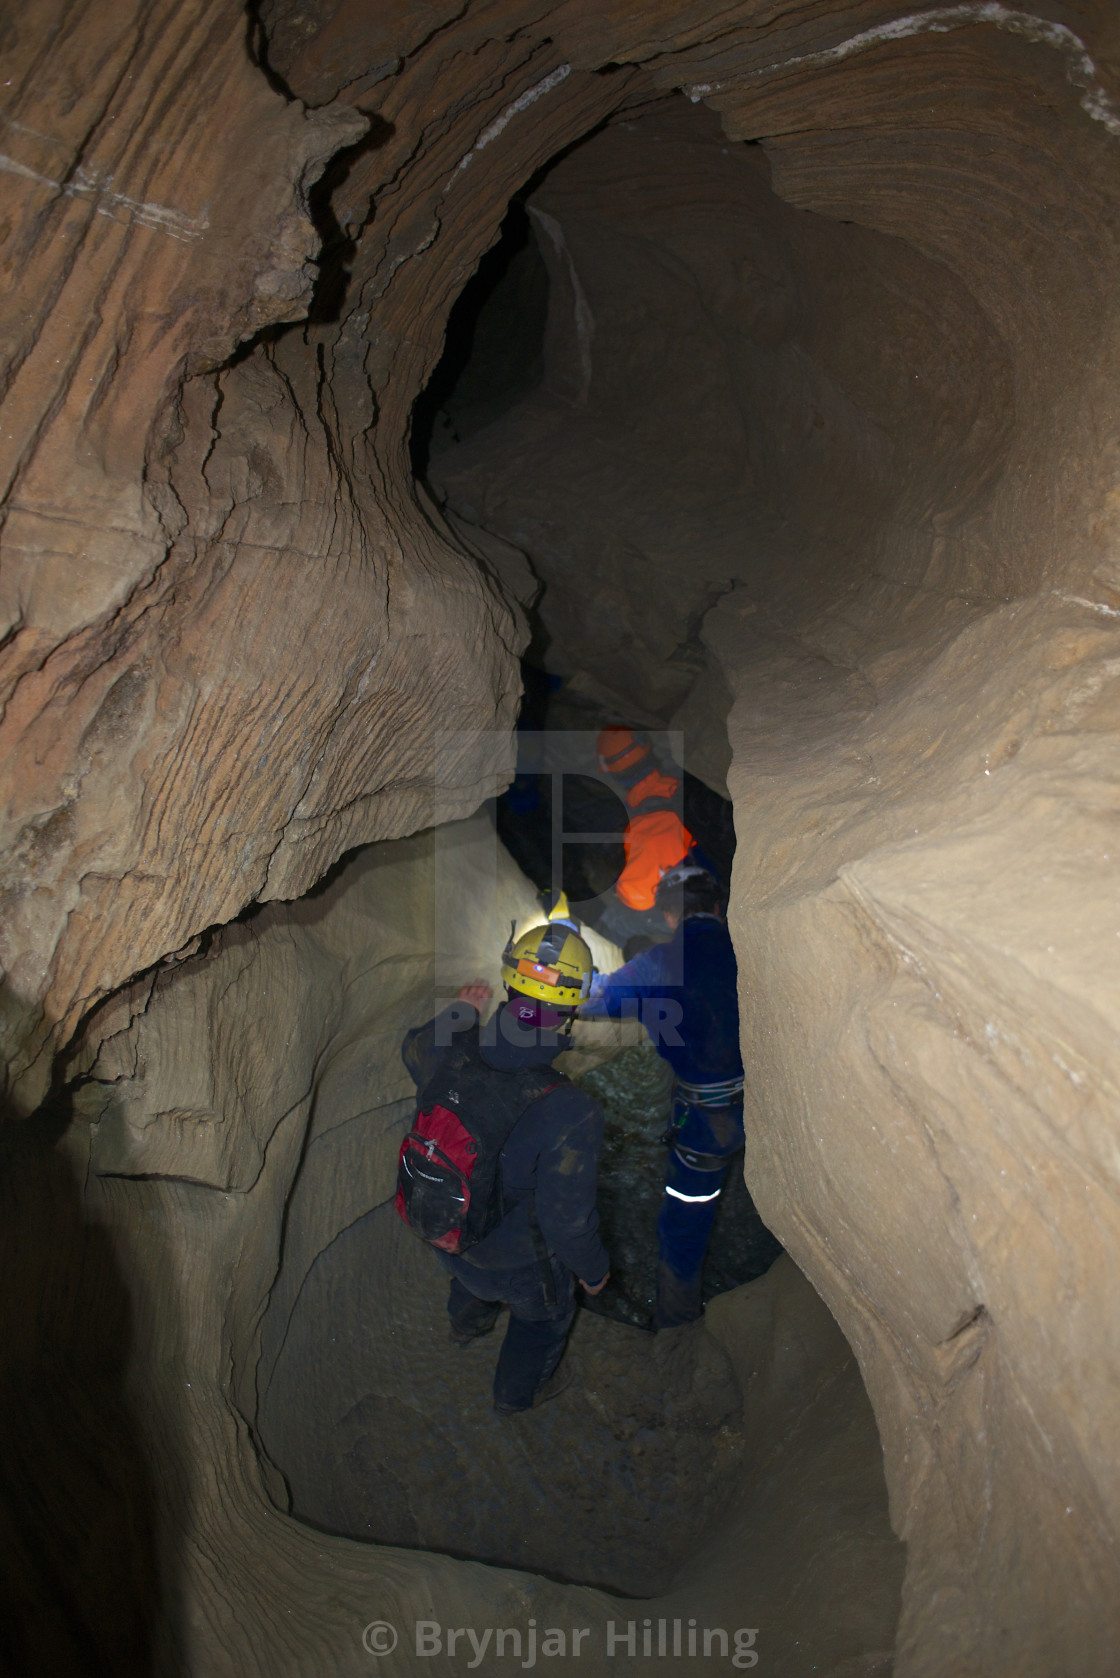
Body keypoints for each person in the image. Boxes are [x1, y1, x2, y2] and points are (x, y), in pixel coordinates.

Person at [400, 910, 610, 1415]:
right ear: (571, 1009)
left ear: (509, 984)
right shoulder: (570, 1110)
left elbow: (411, 1048)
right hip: (517, 1264)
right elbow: (568, 1222)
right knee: (545, 1317)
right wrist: (595, 1271)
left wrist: (460, 1013)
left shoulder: (449, 1048)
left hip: (445, 1228)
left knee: (469, 1277)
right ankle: (514, 1398)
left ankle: (465, 1326)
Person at [579, 863, 744, 1328]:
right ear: (719, 907)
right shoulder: (751, 946)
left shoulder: (657, 963)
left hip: (706, 1124)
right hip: (771, 1108)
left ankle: (677, 1328)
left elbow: (595, 999)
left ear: (669, 916)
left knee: (685, 1226)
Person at [594, 727, 695, 950]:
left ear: (609, 772)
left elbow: (637, 898)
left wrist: (618, 887)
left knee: (615, 921)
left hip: (693, 906)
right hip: (712, 881)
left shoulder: (643, 826)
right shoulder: (680, 786)